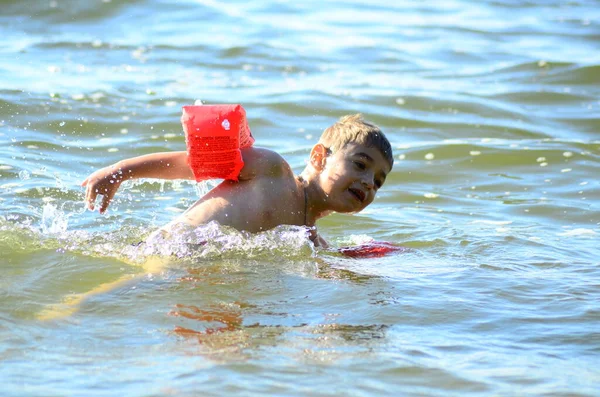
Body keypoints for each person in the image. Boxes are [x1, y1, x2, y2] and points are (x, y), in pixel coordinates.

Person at [82, 114, 394, 247]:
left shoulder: (310, 241)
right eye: (360, 165)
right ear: (318, 157)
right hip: (163, 250)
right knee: (99, 299)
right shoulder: (272, 170)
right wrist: (121, 171)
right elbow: (193, 163)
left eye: (379, 182)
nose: (368, 182)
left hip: (196, 273)